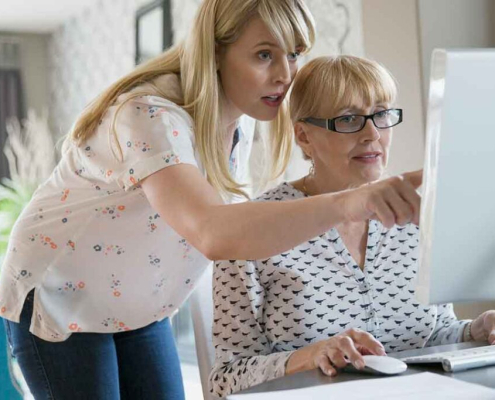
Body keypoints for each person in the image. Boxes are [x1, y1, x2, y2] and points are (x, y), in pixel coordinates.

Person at [0, 1, 424, 398]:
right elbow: (213, 231)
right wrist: (350, 202)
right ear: (216, 52)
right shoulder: (149, 116)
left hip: (140, 304)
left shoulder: (240, 118)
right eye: (264, 55)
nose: (285, 74)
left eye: (294, 54)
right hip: (61, 295)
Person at [209, 55, 495, 398]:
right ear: (304, 136)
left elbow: (431, 336)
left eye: (382, 115)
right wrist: (308, 357)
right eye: (348, 119)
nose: (372, 134)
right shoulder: (251, 230)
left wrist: (476, 331)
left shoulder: (415, 214)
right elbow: (224, 380)